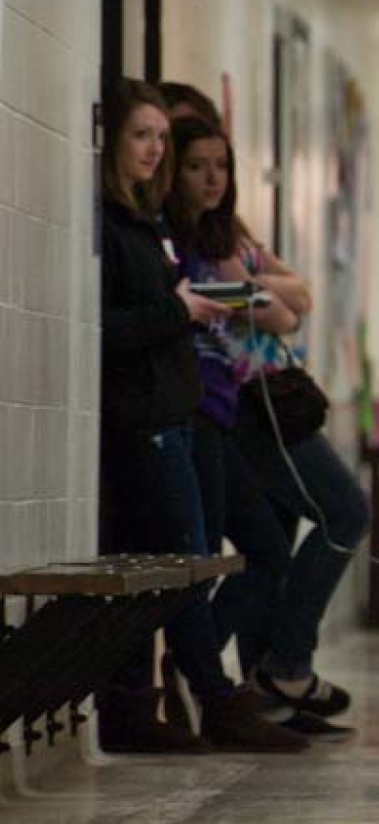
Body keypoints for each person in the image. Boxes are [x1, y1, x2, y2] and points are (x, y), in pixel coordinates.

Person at [95, 78, 308, 754]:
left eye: (163, 137)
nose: (155, 149)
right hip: (152, 416)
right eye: (144, 136)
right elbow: (104, 326)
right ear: (112, 141)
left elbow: (292, 305)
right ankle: (205, 694)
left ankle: (180, 694)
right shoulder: (119, 226)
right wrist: (182, 310)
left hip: (184, 410)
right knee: (182, 561)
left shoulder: (146, 222)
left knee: (186, 561)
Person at [165, 112, 368, 741]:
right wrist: (260, 294)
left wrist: (252, 283)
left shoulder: (233, 233)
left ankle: (263, 681)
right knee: (343, 512)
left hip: (271, 401)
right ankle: (283, 664)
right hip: (246, 407)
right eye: (197, 167)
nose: (212, 179)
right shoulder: (179, 244)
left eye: (221, 166)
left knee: (273, 540)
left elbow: (299, 299)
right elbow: (278, 315)